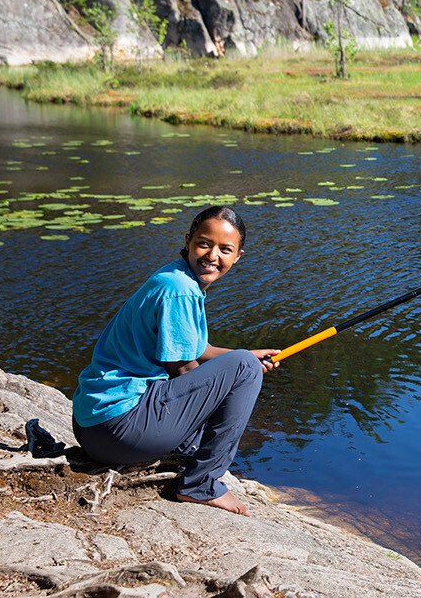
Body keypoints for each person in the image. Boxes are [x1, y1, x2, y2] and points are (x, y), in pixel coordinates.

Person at [72, 205, 279, 516]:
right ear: (188, 241)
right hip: (117, 430)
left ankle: (185, 454)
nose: (212, 255)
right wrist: (242, 370)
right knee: (244, 370)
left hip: (93, 428)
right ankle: (201, 483)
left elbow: (196, 350)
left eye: (225, 249)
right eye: (204, 243)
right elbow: (183, 370)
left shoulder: (175, 276)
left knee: (242, 364)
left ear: (238, 256)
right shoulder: (180, 290)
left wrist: (245, 356)